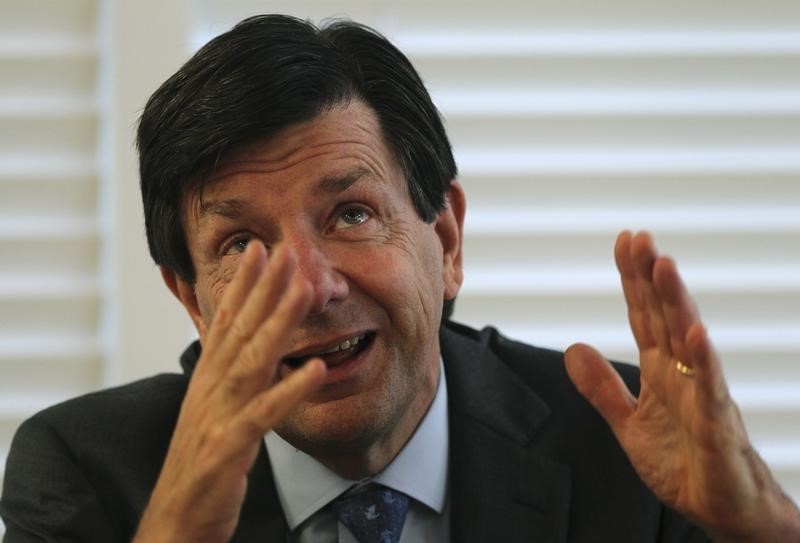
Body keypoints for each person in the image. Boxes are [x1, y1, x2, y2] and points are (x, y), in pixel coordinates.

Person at [1, 14, 798, 543]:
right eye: (242, 244)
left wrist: (759, 524)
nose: (310, 287)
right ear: (192, 299)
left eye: (350, 213)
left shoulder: (627, 448)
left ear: (445, 237)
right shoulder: (84, 471)